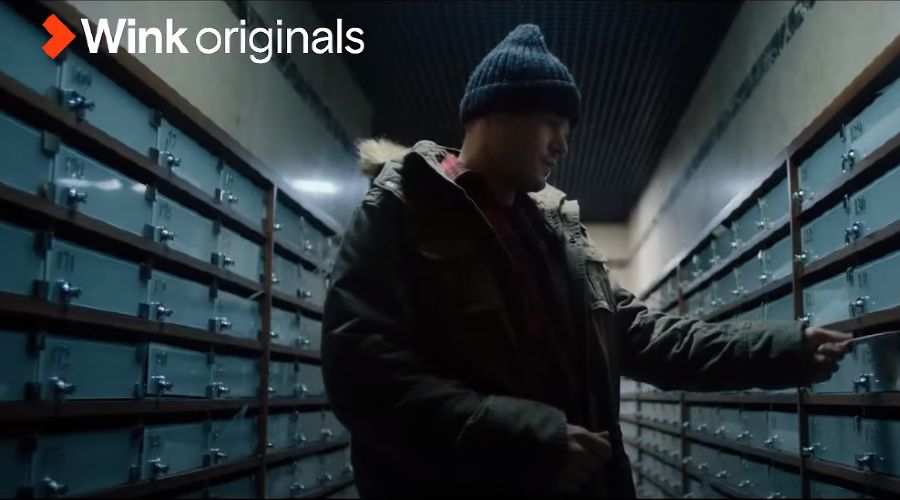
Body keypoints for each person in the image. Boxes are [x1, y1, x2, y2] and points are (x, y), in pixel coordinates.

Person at [321, 23, 852, 498]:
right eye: (552, 122)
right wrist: (525, 439)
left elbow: (652, 339)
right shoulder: (402, 209)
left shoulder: (557, 239)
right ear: (496, 111)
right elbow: (364, 377)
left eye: (568, 130)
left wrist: (786, 349)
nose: (563, 145)